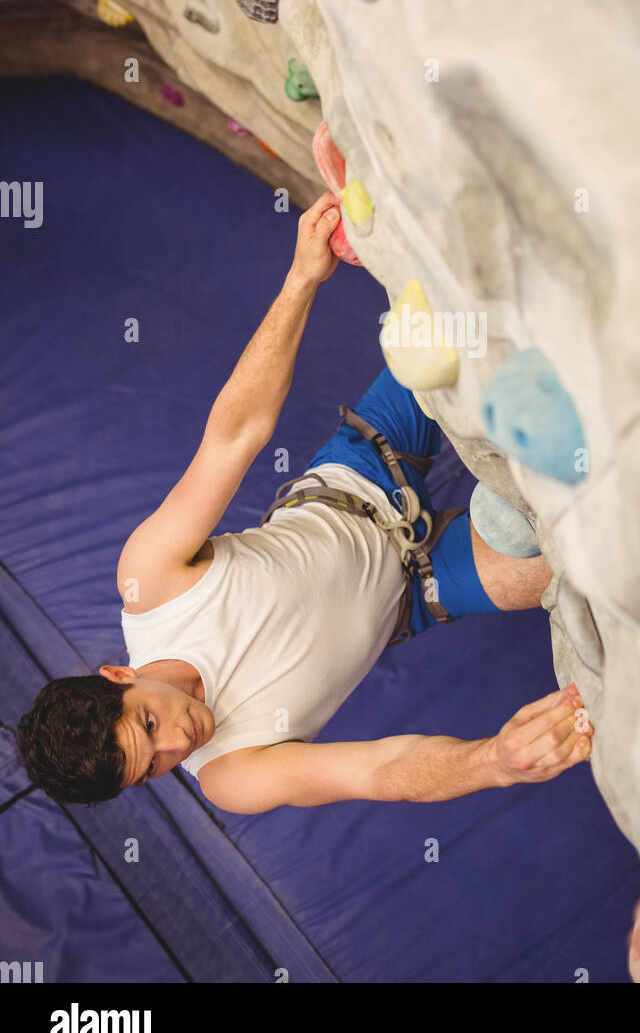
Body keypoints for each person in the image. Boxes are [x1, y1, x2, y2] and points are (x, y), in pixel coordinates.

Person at [17, 192, 593, 813]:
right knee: (578, 552)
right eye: (152, 769)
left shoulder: (149, 581)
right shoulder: (232, 778)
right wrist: (493, 762)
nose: (178, 743)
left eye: (149, 726)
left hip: (365, 468)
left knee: (461, 320)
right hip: (421, 587)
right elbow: (379, 770)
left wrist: (301, 278)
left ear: (119, 677)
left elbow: (235, 434)